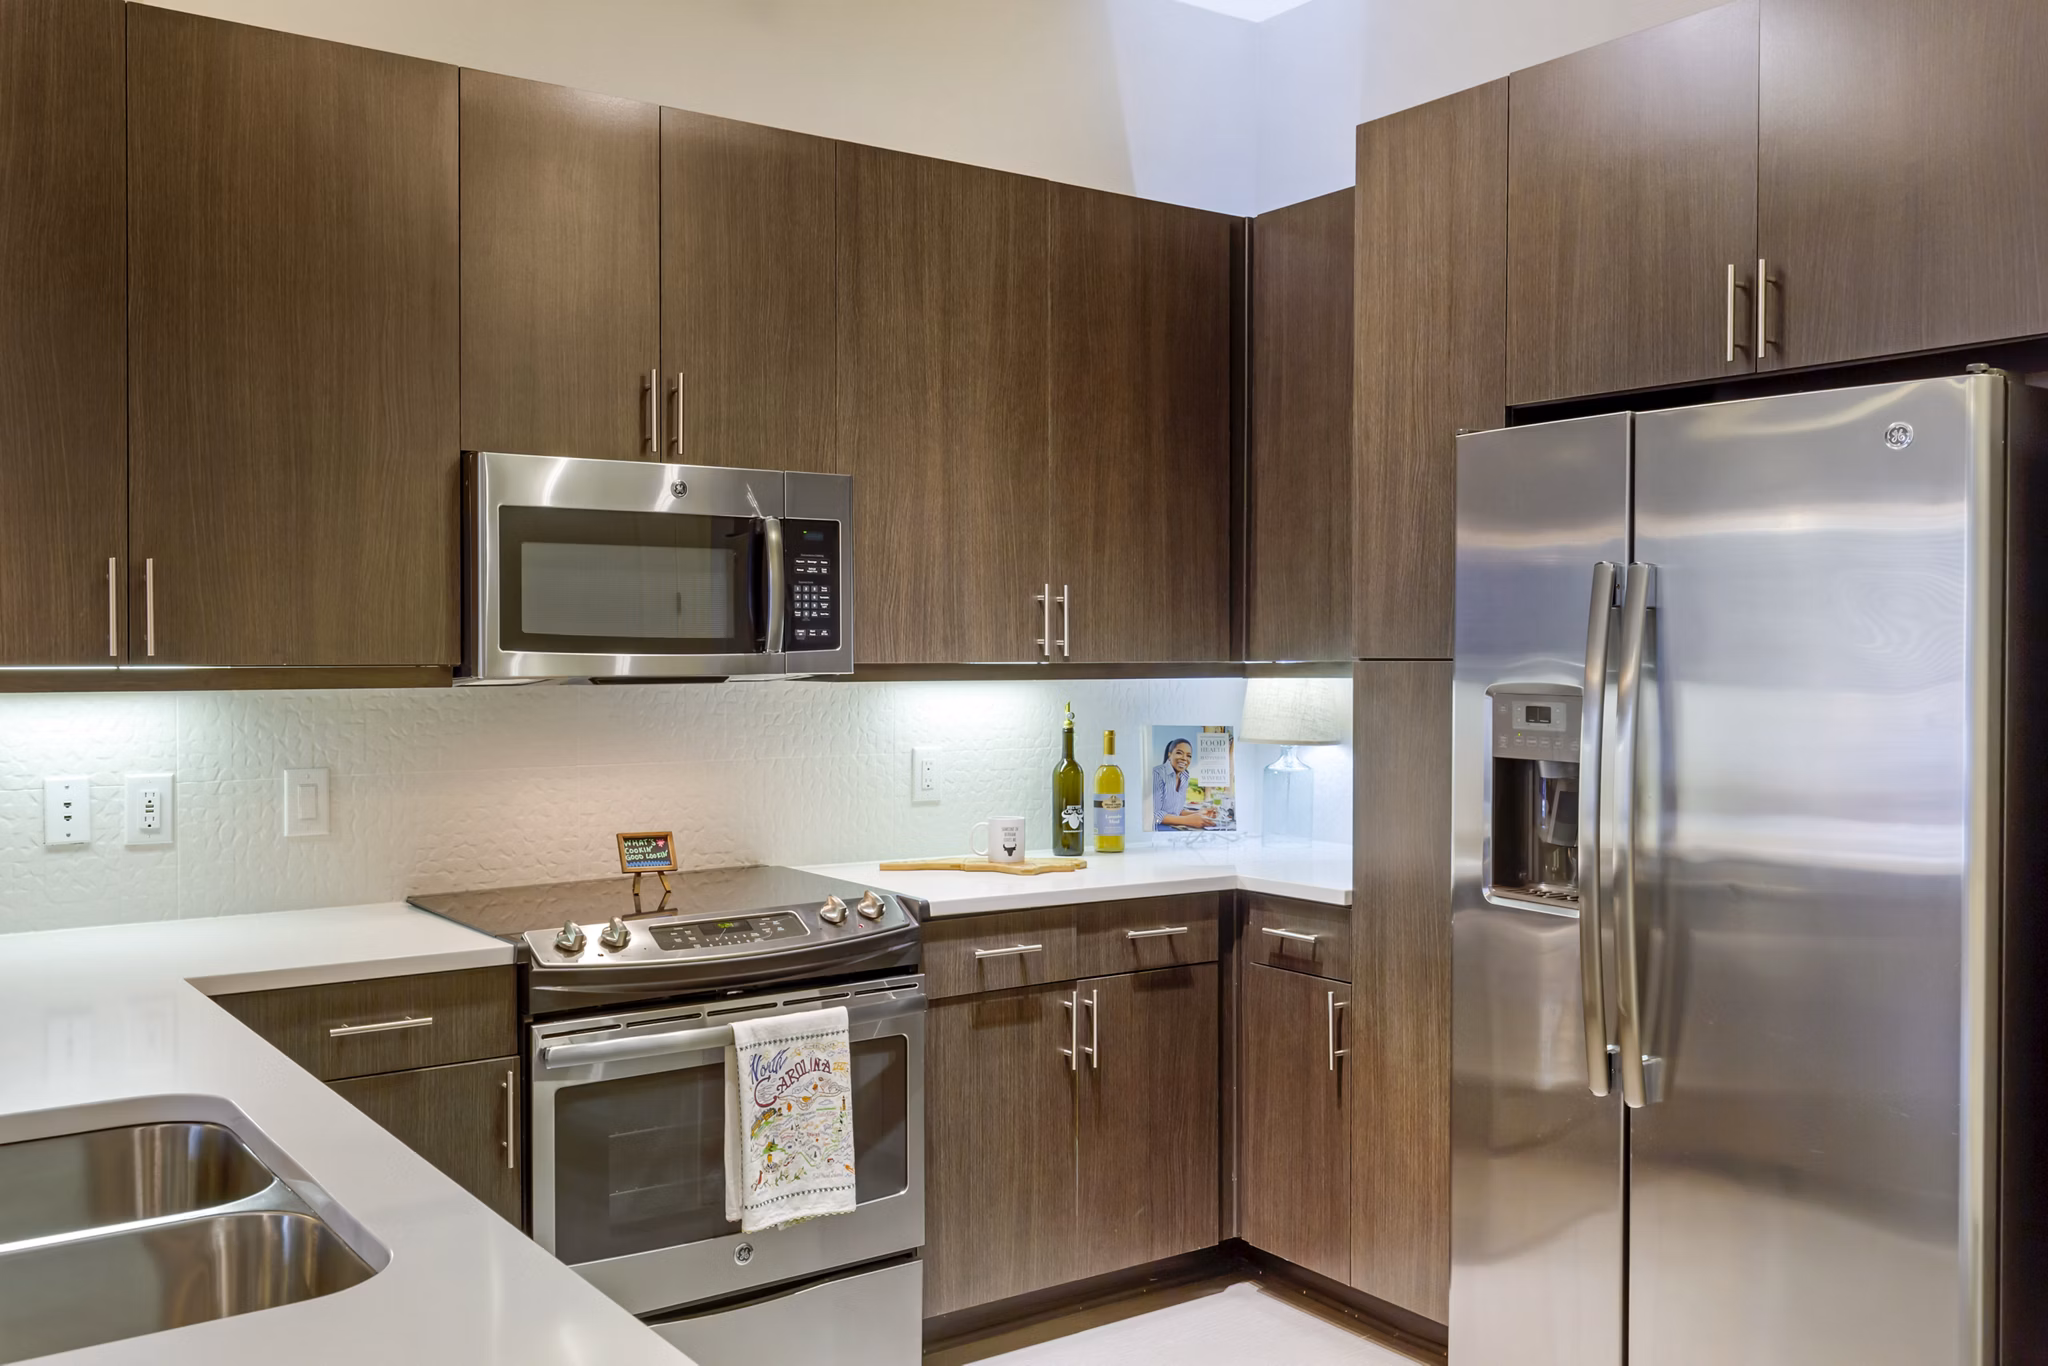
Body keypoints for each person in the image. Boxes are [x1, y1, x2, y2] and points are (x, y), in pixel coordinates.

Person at [1152, 738, 1214, 830]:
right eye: (1179, 753)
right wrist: (1188, 821)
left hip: (1173, 826)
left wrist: (1200, 813)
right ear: (1169, 754)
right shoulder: (1157, 773)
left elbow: (1177, 811)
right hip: (1158, 828)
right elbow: (1154, 815)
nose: (1185, 758)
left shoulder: (1184, 777)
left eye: (1189, 756)